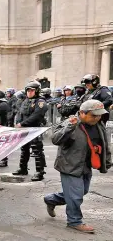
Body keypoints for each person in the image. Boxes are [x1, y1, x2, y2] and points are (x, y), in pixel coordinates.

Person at [43, 100, 111, 234]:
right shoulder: (70, 123)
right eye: (93, 115)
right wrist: (69, 127)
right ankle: (74, 221)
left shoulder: (98, 124)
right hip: (70, 165)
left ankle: (51, 199)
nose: (97, 118)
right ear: (82, 113)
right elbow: (55, 139)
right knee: (75, 196)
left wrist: (107, 161)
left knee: (82, 191)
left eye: (99, 115)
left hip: (86, 165)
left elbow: (104, 144)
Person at [13, 81, 48, 181]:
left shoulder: (40, 102)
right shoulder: (26, 101)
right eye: (28, 90)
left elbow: (36, 116)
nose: (29, 92)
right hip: (25, 129)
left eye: (32, 90)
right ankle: (23, 168)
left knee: (37, 150)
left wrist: (22, 124)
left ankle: (39, 172)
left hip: (35, 129)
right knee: (24, 149)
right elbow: (20, 113)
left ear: (37, 91)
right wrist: (18, 124)